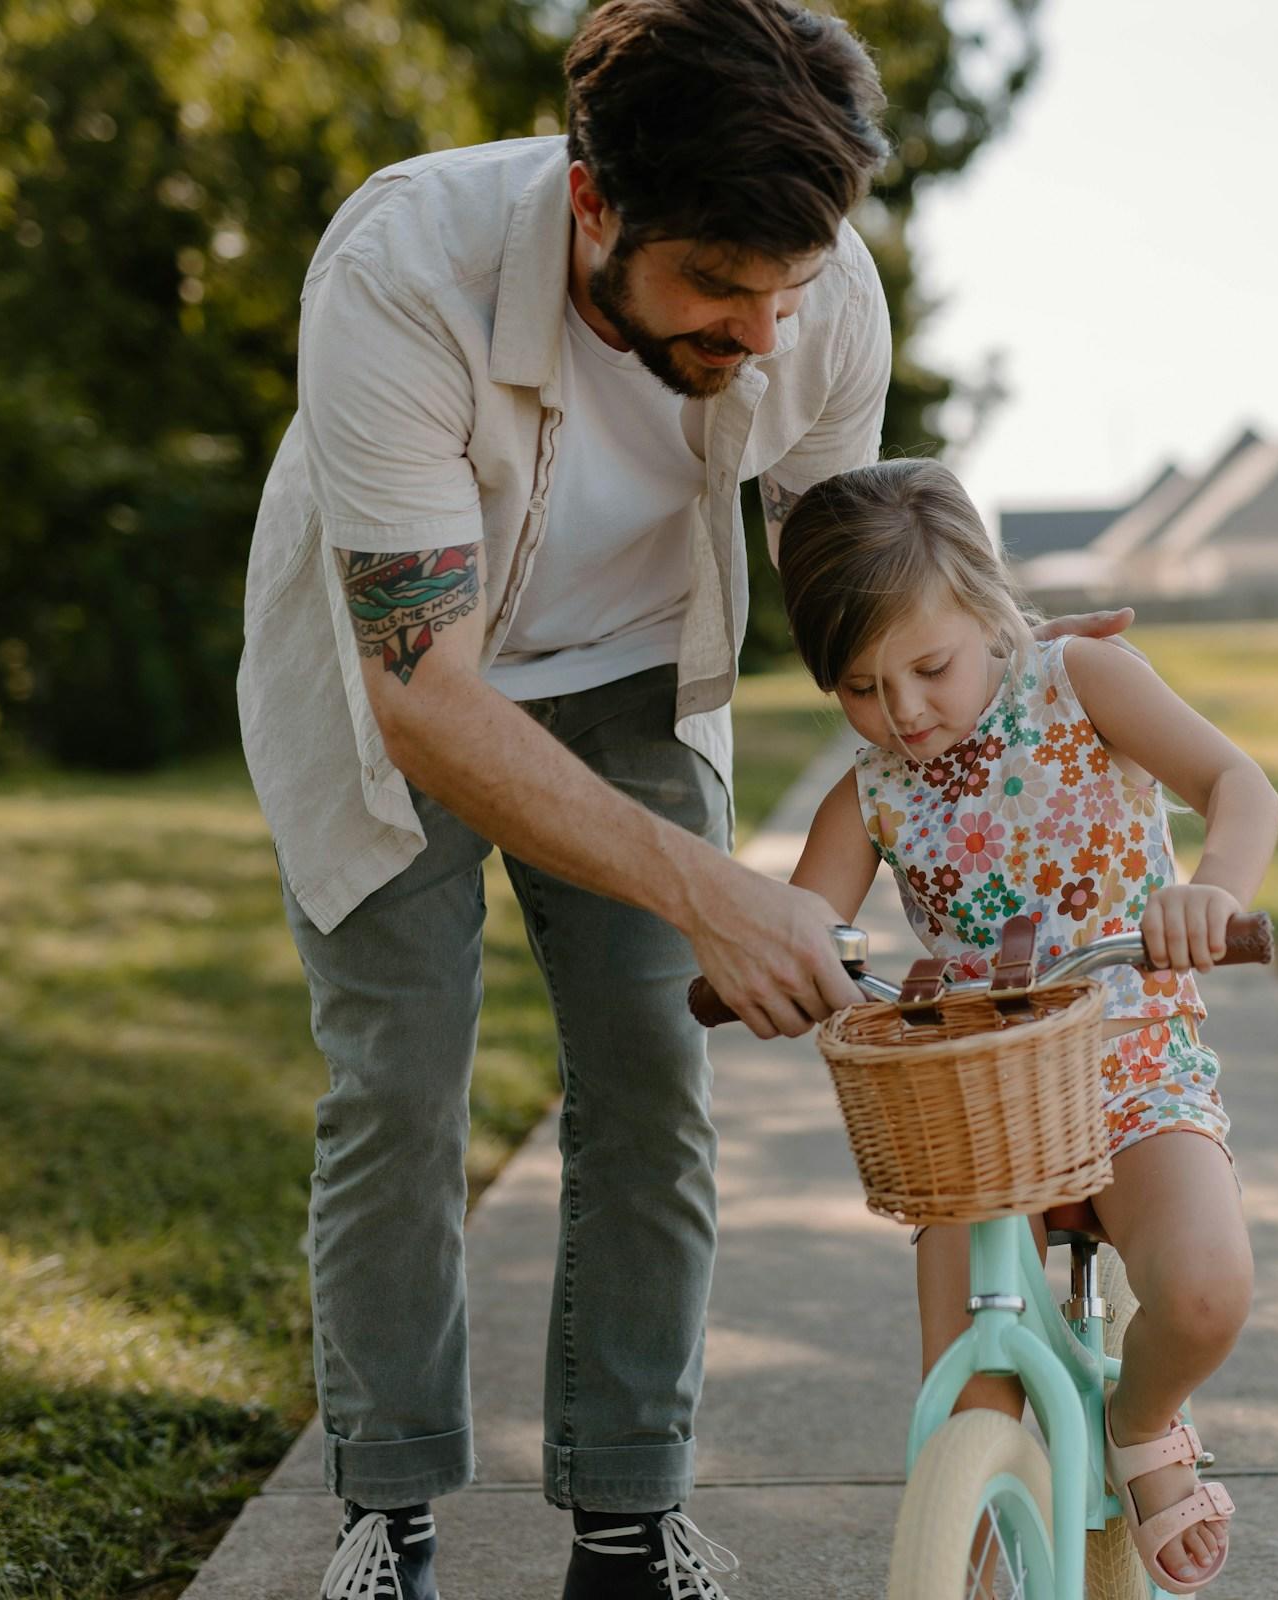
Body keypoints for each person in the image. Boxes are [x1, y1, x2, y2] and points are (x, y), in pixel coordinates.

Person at [235, 5, 1132, 1595]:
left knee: (656, 1076)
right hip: (396, 687)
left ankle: (629, 1521)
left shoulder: (818, 291)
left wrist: (1000, 655)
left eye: (787, 291)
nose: (766, 335)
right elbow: (425, 692)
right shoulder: (398, 271)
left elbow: (852, 573)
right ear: (593, 205)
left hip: (637, 667)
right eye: (718, 289)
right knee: (401, 1084)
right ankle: (388, 1514)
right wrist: (715, 885)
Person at [772, 460, 1278, 1593]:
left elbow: (1240, 784)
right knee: (966, 1393)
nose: (901, 711)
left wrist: (1214, 890)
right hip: (978, 1108)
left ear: (991, 610)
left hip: (1134, 1058)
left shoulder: (1080, 678)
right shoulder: (873, 792)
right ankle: (967, 1547)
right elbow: (812, 913)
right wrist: (785, 951)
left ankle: (1142, 1426)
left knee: (1204, 1290)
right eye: (859, 687)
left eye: (929, 666)